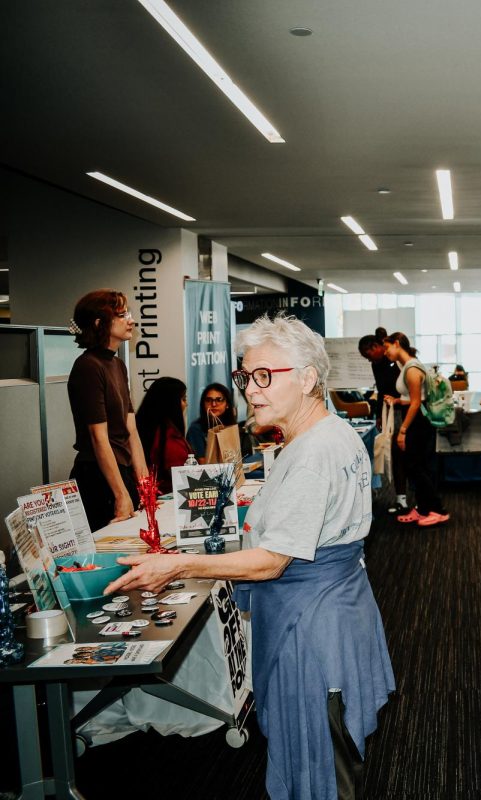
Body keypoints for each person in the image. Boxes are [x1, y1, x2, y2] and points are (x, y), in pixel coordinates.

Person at [105, 314, 394, 800]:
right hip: (336, 609)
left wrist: (177, 564)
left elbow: (271, 562)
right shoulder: (332, 433)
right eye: (246, 377)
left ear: (307, 379)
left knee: (318, 763)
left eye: (264, 376)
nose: (251, 390)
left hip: (311, 626)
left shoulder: (311, 455)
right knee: (330, 754)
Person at [67, 289, 149, 530]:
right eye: (122, 314)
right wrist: (121, 494)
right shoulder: (88, 367)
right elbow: (98, 438)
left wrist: (145, 485)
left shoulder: (118, 364)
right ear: (99, 323)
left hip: (119, 473)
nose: (131, 320)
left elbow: (130, 429)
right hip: (98, 478)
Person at [384, 333, 450, 527]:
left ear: (397, 344)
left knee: (416, 466)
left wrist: (403, 430)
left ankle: (437, 510)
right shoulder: (408, 366)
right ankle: (423, 508)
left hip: (418, 422)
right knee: (417, 466)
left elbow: (415, 404)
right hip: (417, 420)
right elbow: (416, 398)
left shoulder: (412, 369)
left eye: (387, 347)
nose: (386, 352)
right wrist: (397, 401)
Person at [358, 332, 406, 513]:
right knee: (395, 454)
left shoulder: (399, 362)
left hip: (404, 411)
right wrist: (379, 415)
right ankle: (401, 498)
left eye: (368, 355)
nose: (369, 360)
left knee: (405, 456)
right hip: (390, 412)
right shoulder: (376, 365)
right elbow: (381, 389)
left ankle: (411, 500)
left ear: (376, 347)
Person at [135, 377, 193, 495]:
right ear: (171, 402)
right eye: (183, 399)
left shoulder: (147, 430)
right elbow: (185, 478)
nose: (186, 404)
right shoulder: (169, 439)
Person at [185, 382, 245, 462]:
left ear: (227, 404)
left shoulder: (232, 427)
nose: (213, 404)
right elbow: (202, 462)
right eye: (209, 400)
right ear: (203, 404)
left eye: (219, 400)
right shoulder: (196, 429)